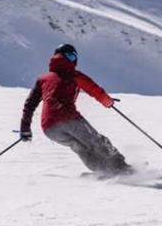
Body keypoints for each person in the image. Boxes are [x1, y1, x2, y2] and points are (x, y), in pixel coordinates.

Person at [19, 44, 132, 177]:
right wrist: (107, 101)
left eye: (72, 56)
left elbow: (29, 105)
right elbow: (93, 88)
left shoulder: (43, 79)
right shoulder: (73, 75)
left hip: (49, 129)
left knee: (80, 147)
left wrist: (25, 128)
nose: (70, 59)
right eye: (70, 56)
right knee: (97, 141)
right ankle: (121, 168)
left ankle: (103, 170)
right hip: (68, 118)